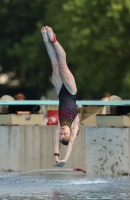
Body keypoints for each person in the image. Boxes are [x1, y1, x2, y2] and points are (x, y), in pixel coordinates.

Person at [41, 26, 79, 167]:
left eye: (61, 134)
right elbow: (70, 145)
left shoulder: (59, 124)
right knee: (63, 65)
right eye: (65, 134)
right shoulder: (74, 124)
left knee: (55, 65)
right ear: (70, 133)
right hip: (70, 91)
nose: (62, 132)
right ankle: (54, 40)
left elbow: (56, 140)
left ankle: (46, 41)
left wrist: (56, 156)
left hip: (59, 91)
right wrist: (64, 159)